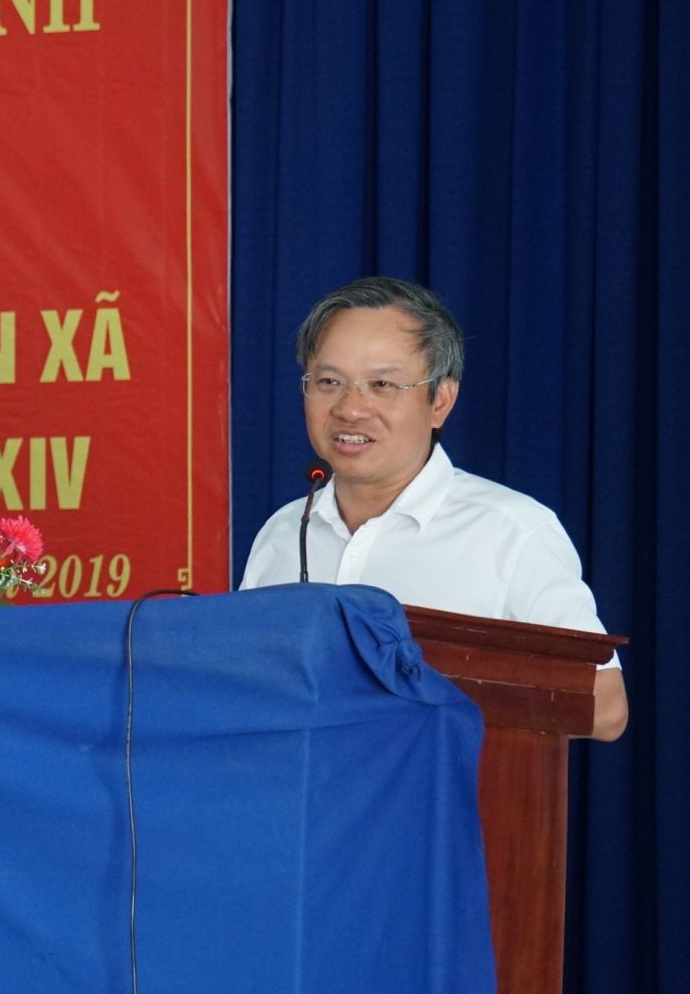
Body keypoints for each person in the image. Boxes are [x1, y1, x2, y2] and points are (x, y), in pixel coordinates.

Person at [240, 277, 627, 741]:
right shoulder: (285, 532)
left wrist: (415, 695)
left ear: (440, 400)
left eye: (382, 384)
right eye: (329, 382)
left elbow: (605, 708)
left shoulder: (513, 533)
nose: (350, 408)